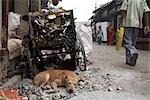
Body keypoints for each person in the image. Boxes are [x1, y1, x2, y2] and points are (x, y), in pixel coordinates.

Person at [120, 0, 150, 66]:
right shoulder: (142, 0)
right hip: (137, 24)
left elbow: (123, 10)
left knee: (128, 42)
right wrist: (147, 25)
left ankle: (134, 52)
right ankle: (129, 60)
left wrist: (121, 22)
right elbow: (146, 12)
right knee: (132, 43)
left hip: (127, 23)